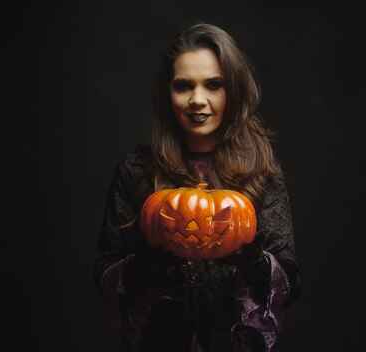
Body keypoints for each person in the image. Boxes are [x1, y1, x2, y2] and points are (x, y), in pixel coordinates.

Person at [94, 22, 301, 352]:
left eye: (214, 85)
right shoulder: (136, 169)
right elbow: (105, 276)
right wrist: (147, 260)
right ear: (168, 92)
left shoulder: (261, 171)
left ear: (232, 90)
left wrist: (250, 259)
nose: (197, 100)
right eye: (184, 86)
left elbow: (288, 281)